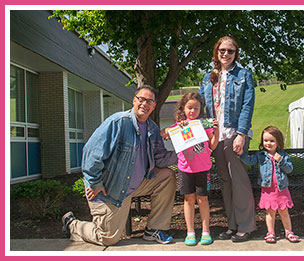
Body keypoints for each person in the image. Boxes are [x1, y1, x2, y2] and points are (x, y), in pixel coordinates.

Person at [61, 85, 178, 246]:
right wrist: (95, 182)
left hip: (136, 184)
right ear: (134, 100)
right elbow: (91, 153)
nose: (145, 104)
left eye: (149, 101)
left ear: (154, 106)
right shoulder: (117, 122)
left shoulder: (152, 129)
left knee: (167, 176)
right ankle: (72, 225)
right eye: (141, 99)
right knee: (108, 238)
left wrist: (184, 151)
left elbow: (161, 160)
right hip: (111, 189)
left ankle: (154, 229)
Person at [199, 36, 256, 242]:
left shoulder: (244, 75)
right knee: (225, 181)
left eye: (230, 51)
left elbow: (247, 106)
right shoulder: (209, 77)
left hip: (234, 134)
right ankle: (232, 225)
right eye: (222, 50)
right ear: (216, 52)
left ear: (235, 54)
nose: (226, 54)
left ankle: (246, 225)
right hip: (215, 136)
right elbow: (200, 106)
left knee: (238, 180)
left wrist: (241, 134)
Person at [161, 92, 219, 246]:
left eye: (196, 108)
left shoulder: (204, 125)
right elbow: (165, 134)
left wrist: (216, 130)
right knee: (188, 199)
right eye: (189, 108)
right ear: (183, 108)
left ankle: (206, 231)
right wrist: (170, 129)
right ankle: (190, 232)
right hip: (185, 169)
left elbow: (213, 145)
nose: (193, 111)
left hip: (203, 168)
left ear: (201, 109)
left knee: (203, 199)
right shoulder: (179, 125)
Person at [235, 126, 300, 243]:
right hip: (268, 190)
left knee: (284, 212)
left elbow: (289, 169)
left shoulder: (283, 156)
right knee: (270, 213)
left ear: (278, 142)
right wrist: (241, 154)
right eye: (265, 141)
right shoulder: (261, 156)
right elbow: (250, 161)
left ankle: (289, 232)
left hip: (281, 190)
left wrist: (281, 161)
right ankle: (271, 233)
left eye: (271, 141)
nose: (268, 143)